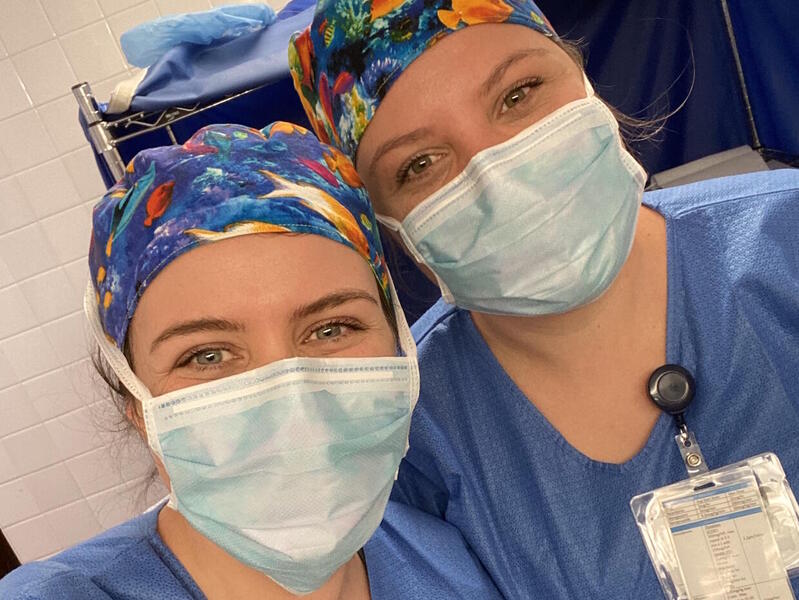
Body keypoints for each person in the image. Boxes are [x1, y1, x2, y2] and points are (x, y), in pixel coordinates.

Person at [289, 1, 799, 597]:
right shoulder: (407, 440)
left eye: (518, 94)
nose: (498, 171)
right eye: (420, 164)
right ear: (387, 222)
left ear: (586, 83)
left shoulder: (784, 241)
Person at [0, 123, 502, 600]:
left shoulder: (447, 560)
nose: (292, 399)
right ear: (138, 408)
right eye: (207, 355)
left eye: (331, 330)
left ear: (400, 348)